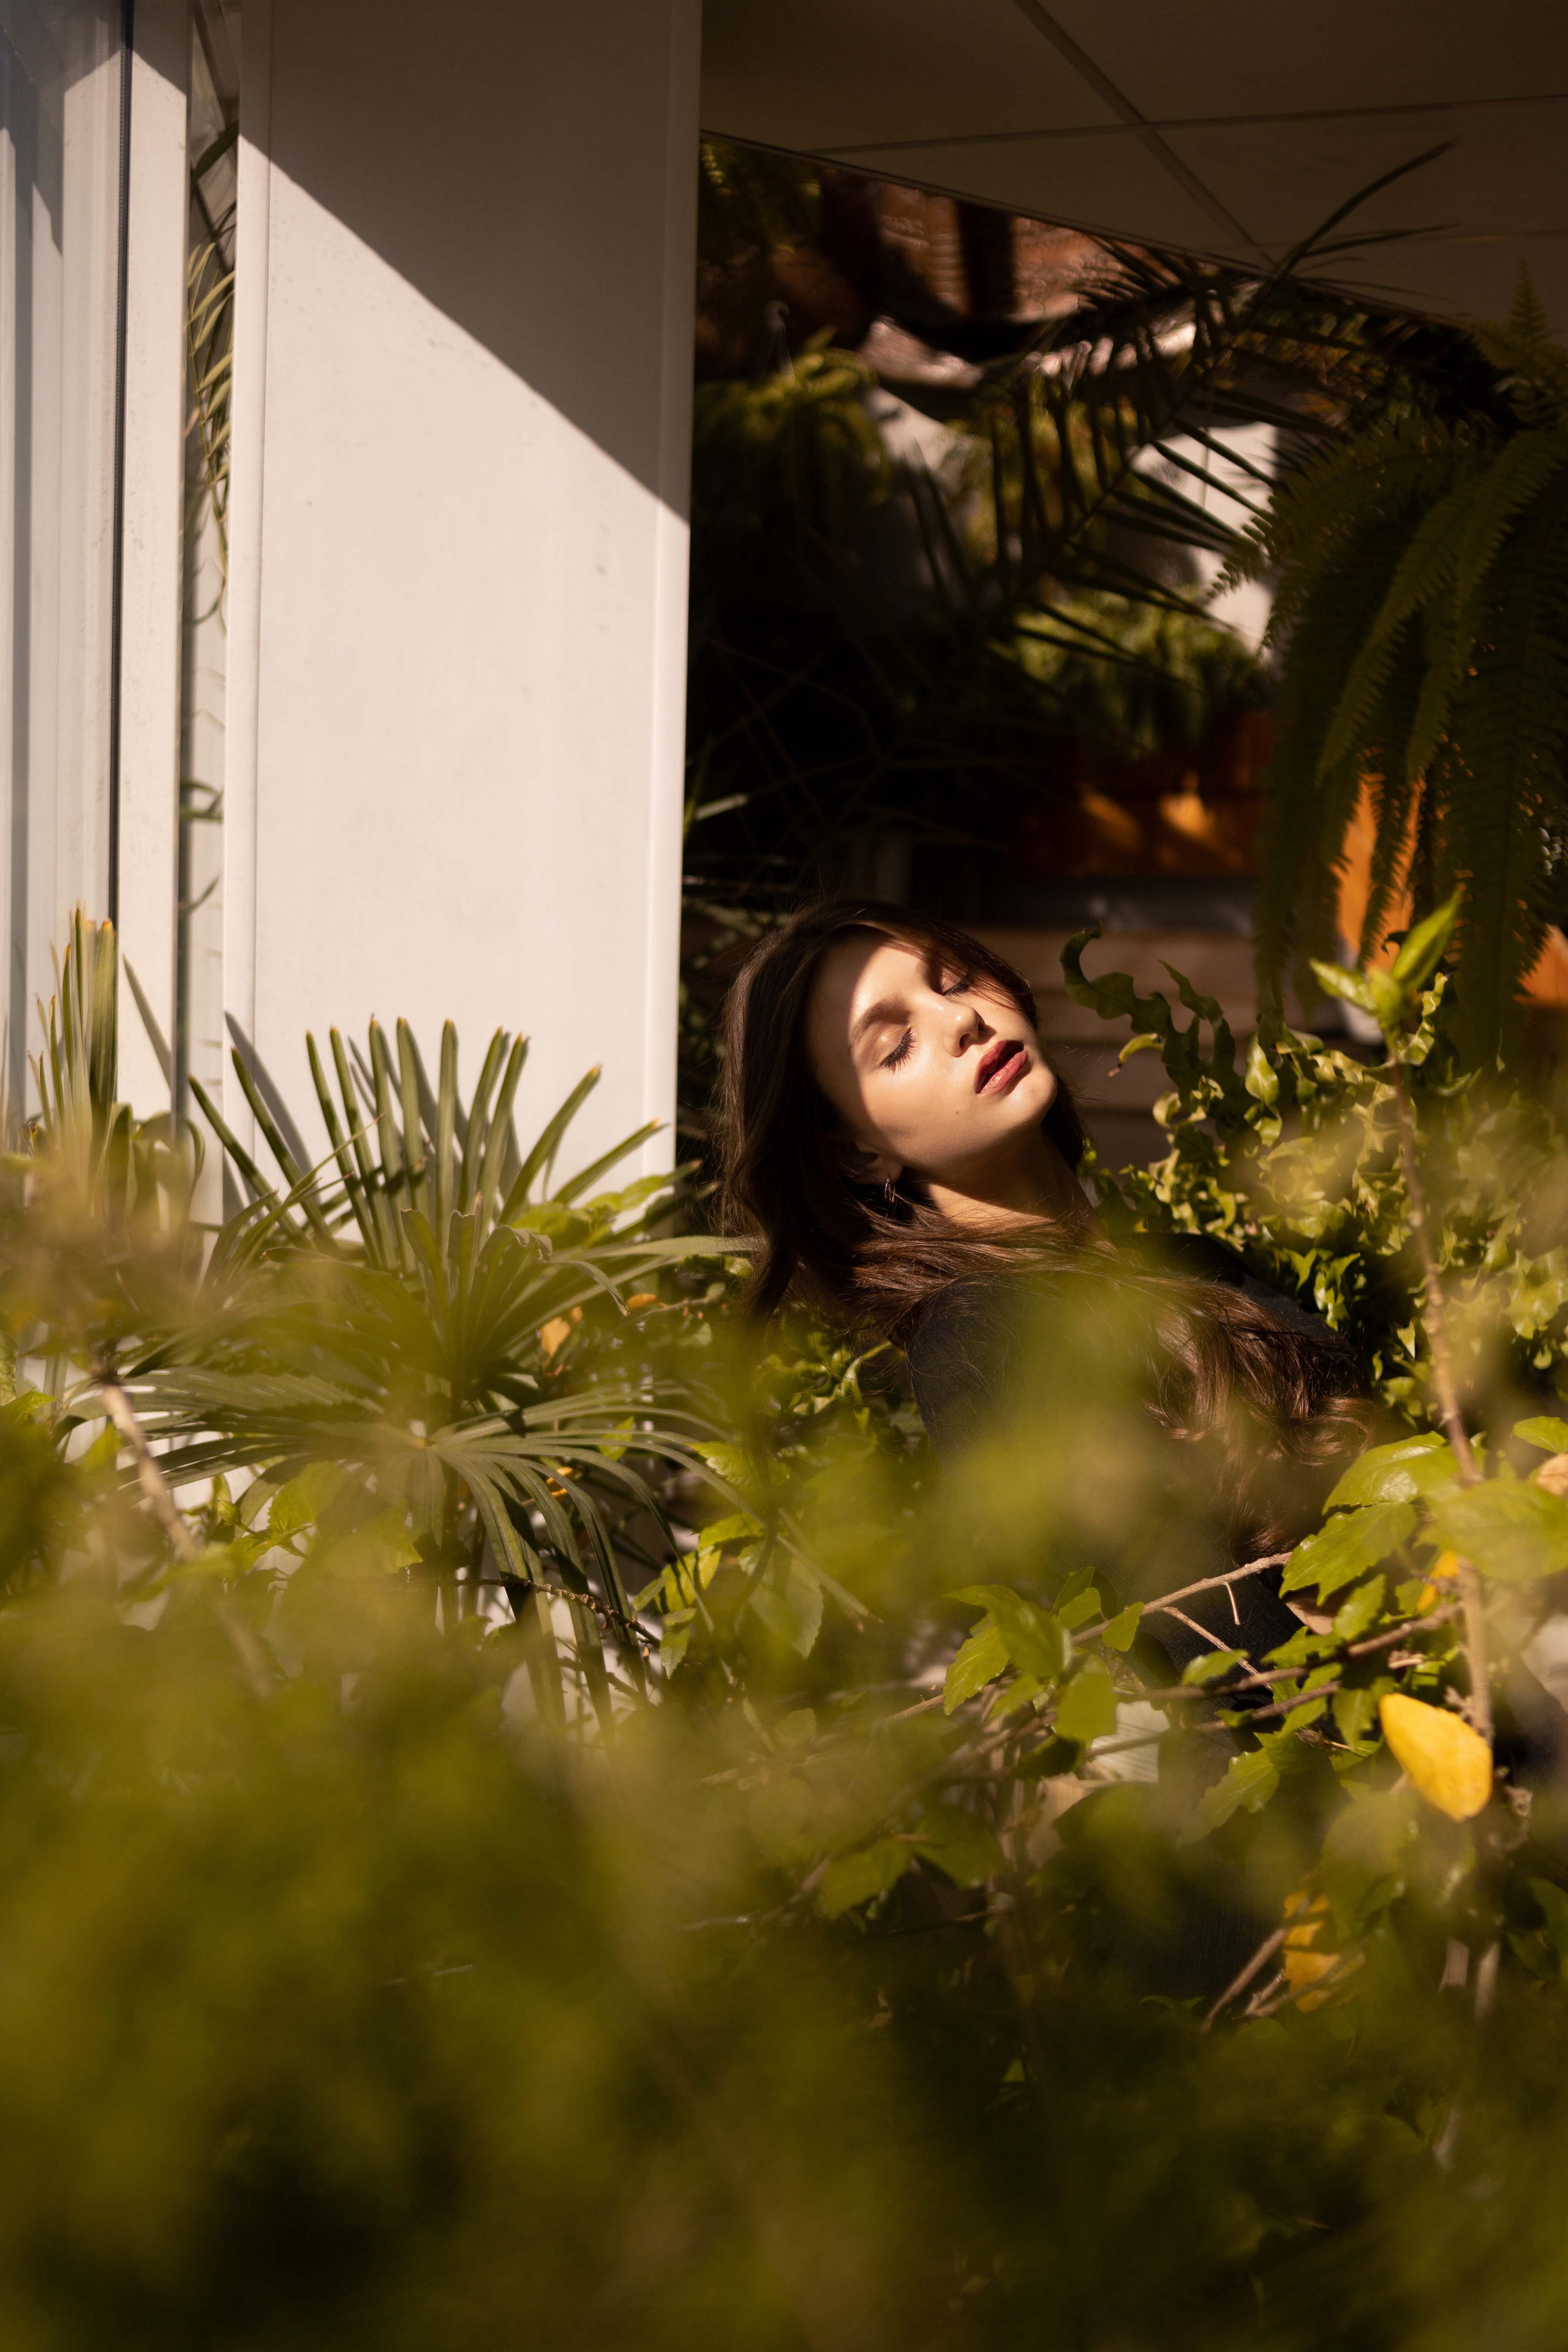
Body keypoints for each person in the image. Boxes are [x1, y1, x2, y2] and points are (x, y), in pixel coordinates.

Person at [716, 899, 1375, 1687]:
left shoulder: (1198, 1263)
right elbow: (1209, 1641)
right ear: (859, 1156)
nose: (961, 1019)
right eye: (895, 1045)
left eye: (954, 980)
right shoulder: (979, 1342)